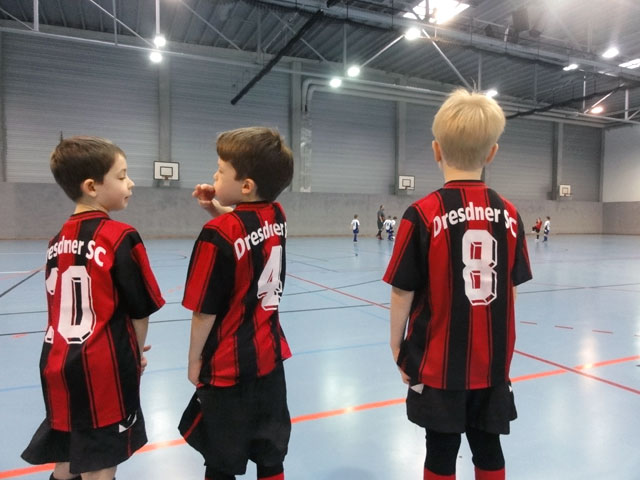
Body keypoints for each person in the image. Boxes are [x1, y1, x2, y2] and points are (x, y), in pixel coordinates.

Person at [383, 89, 532, 480]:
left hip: (437, 364)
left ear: (436, 150)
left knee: (440, 450)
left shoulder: (421, 213)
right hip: (492, 363)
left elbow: (402, 291)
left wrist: (397, 347)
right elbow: (511, 289)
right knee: (489, 447)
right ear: (492, 153)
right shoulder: (510, 213)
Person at [21, 136, 165, 480]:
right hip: (102, 370)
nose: (130, 183)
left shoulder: (57, 240)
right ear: (91, 187)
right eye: (122, 176)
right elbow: (140, 310)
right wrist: (133, 354)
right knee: (100, 464)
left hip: (56, 363)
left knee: (70, 457)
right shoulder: (120, 236)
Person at [178, 127, 294, 480]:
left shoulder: (216, 234)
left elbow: (203, 311)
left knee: (222, 460)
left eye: (220, 170)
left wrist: (194, 360)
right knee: (270, 454)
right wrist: (215, 207)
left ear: (246, 186)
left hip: (227, 368)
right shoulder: (277, 215)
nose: (214, 176)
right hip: (270, 358)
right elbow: (248, 231)